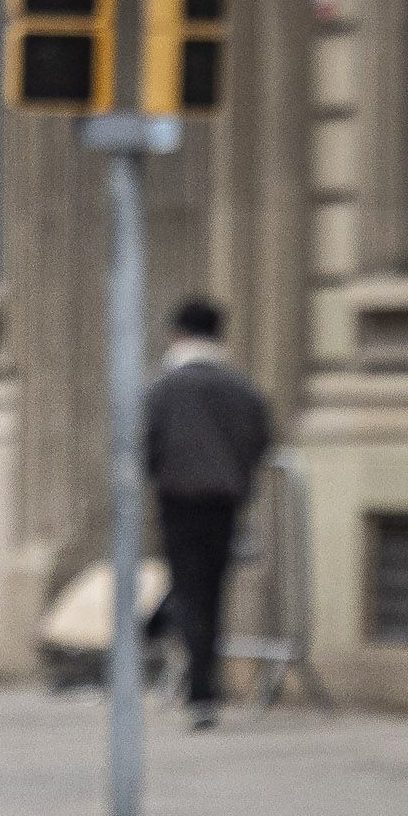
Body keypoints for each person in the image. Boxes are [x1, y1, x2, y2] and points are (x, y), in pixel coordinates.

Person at [144, 297, 277, 729]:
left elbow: (147, 442)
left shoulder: (166, 386)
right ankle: (201, 681)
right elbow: (260, 439)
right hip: (224, 501)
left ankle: (196, 681)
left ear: (179, 334)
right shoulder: (241, 387)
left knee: (188, 586)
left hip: (179, 499)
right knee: (211, 591)